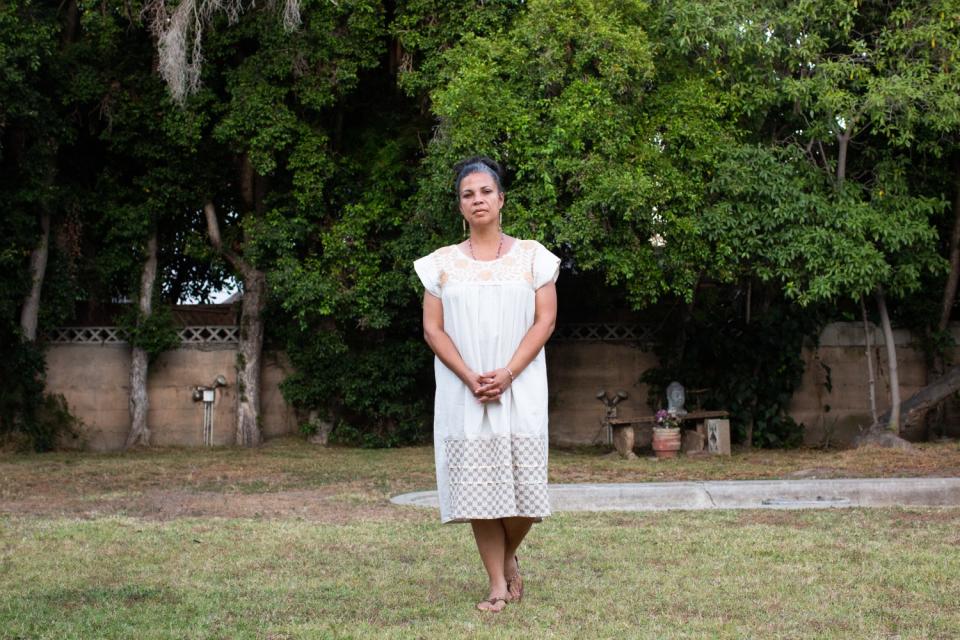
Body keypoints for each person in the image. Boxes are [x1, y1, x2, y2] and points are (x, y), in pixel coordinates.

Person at [413, 156, 560, 613]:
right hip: (465, 389)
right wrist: (469, 375)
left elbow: (546, 319)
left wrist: (509, 373)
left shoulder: (534, 256)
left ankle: (509, 555)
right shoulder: (440, 264)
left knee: (525, 494)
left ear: (501, 199)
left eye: (484, 192)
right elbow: (433, 330)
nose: (477, 200)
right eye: (467, 194)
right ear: (460, 205)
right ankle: (497, 583)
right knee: (479, 490)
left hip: (521, 385)